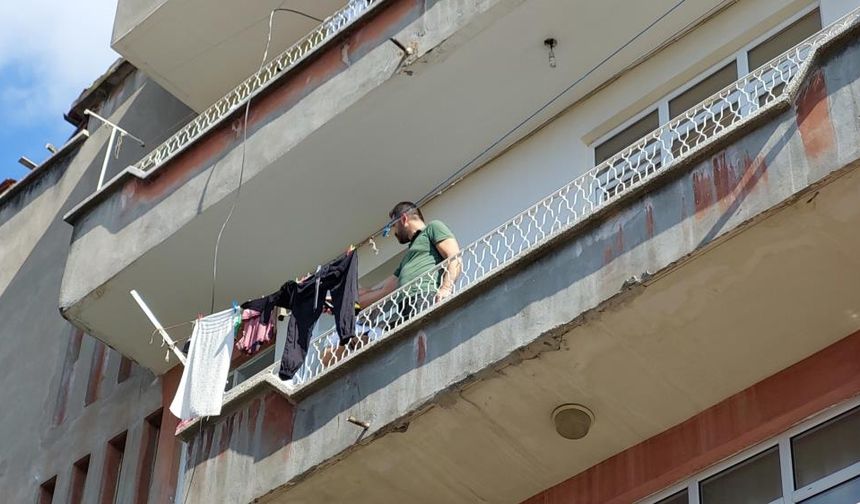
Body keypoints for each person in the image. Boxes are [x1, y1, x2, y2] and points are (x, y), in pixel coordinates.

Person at [358, 202, 461, 316]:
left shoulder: (432, 228)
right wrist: (350, 304)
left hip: (426, 296)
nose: (394, 232)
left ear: (403, 219)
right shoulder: (407, 259)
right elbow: (384, 290)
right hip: (405, 307)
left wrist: (446, 288)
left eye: (393, 225)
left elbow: (454, 256)